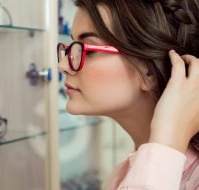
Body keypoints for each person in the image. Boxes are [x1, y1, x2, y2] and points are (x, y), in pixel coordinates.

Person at [57, 0, 199, 189]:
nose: (63, 65)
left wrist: (166, 146)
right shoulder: (123, 175)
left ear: (148, 70)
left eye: (87, 51)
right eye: (69, 48)